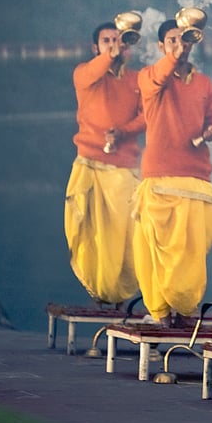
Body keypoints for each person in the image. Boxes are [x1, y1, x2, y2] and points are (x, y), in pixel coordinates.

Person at [133, 18, 212, 327]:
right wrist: (175, 55)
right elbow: (159, 75)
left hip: (196, 177)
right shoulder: (149, 77)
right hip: (158, 176)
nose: (178, 46)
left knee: (193, 249)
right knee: (155, 251)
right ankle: (159, 312)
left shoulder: (204, 84)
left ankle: (185, 309)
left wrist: (211, 131)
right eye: (171, 40)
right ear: (161, 46)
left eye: (183, 40)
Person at [65, 21, 146, 305]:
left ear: (128, 46)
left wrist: (123, 131)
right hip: (89, 164)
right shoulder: (85, 74)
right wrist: (109, 55)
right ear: (95, 47)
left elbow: (146, 116)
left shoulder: (137, 80)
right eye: (107, 40)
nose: (114, 45)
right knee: (89, 231)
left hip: (124, 168)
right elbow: (94, 70)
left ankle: (119, 298)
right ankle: (98, 294)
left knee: (124, 235)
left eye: (119, 41)